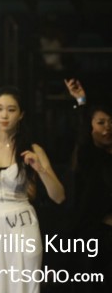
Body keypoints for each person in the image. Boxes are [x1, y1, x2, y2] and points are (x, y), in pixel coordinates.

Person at [0, 86, 65, 292]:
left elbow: (59, 196)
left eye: (11, 110)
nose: (4, 115)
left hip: (21, 223)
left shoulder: (34, 149)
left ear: (21, 114)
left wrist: (40, 169)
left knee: (22, 285)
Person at [64, 78, 112, 293]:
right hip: (95, 235)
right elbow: (83, 136)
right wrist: (81, 102)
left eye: (110, 122)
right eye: (101, 123)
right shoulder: (90, 156)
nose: (107, 127)